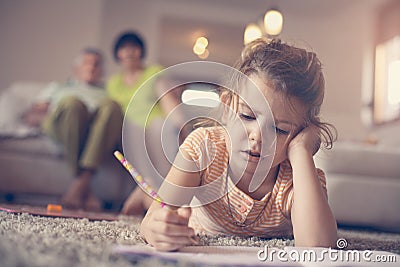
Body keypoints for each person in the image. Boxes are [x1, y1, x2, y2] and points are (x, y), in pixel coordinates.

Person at [140, 38, 338, 251]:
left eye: (280, 129)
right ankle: (142, 192)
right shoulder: (204, 148)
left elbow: (319, 247)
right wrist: (156, 227)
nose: (257, 137)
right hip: (199, 220)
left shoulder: (298, 177)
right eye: (246, 116)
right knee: (152, 198)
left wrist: (301, 153)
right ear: (227, 109)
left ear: (301, 133)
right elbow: (151, 221)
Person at [23, 48, 123, 211]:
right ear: (76, 69)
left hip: (95, 131)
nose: (91, 67)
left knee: (112, 106)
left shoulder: (107, 91)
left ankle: (79, 185)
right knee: (73, 104)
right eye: (86, 63)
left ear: (101, 71)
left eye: (96, 64)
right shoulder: (58, 88)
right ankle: (85, 187)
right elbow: (32, 115)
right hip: (62, 124)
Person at [107, 31, 189, 215]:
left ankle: (161, 195)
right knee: (132, 129)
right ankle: (149, 194)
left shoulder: (153, 72)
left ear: (140, 51)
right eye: (124, 49)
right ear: (118, 54)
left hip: (154, 124)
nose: (129, 53)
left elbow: (167, 97)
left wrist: (182, 125)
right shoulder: (113, 83)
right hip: (127, 128)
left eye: (133, 48)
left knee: (161, 128)